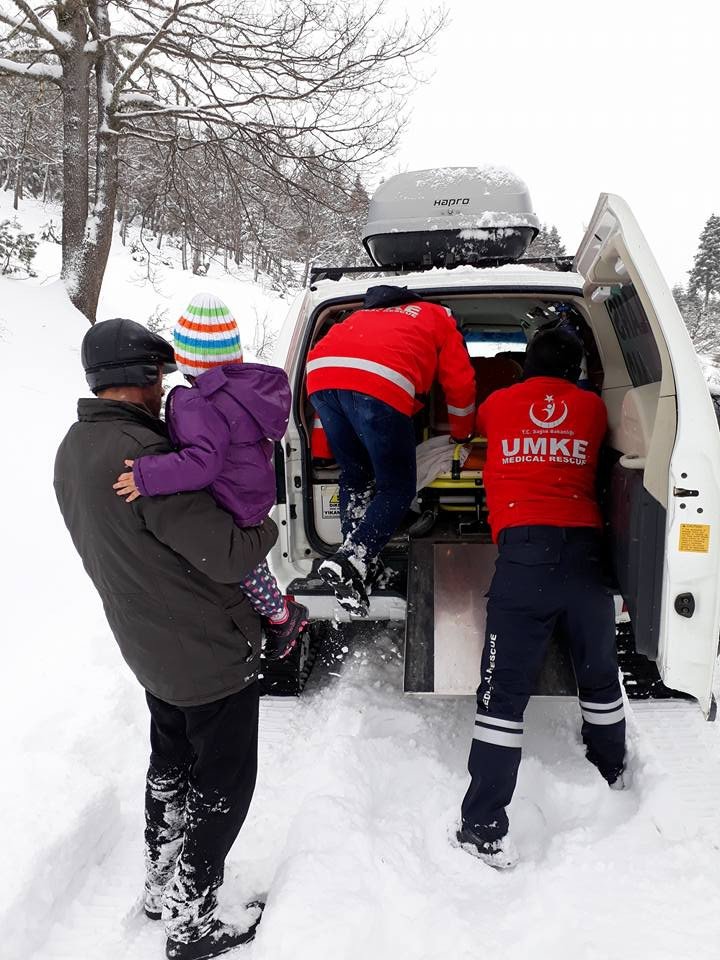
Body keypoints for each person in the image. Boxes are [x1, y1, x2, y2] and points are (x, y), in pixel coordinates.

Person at [54, 317, 278, 959]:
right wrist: (269, 523)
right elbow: (232, 553)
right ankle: (194, 918)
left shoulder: (73, 448)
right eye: (161, 377)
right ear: (145, 378)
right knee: (223, 782)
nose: (166, 390)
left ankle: (161, 882)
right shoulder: (146, 457)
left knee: (172, 762)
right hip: (206, 649)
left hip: (147, 643)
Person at [457, 328, 626, 870]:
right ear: (578, 368)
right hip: (587, 556)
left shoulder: (500, 403)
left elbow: (470, 428)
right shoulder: (595, 409)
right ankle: (612, 774)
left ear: (525, 365)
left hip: (525, 556)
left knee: (502, 696)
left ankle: (483, 826)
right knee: (599, 677)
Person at [112, 292, 307, 659]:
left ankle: (282, 617)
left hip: (230, 495)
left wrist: (146, 475)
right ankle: (272, 610)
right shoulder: (243, 390)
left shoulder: (196, 402)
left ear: (185, 356)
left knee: (242, 567)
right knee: (248, 562)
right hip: (249, 489)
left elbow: (202, 462)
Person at [307, 284, 476, 615]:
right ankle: (352, 558)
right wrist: (462, 434)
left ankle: (355, 568)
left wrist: (321, 451)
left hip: (320, 377)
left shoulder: (359, 316)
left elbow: (332, 392)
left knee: (355, 476)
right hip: (380, 382)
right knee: (397, 486)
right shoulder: (436, 315)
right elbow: (460, 383)